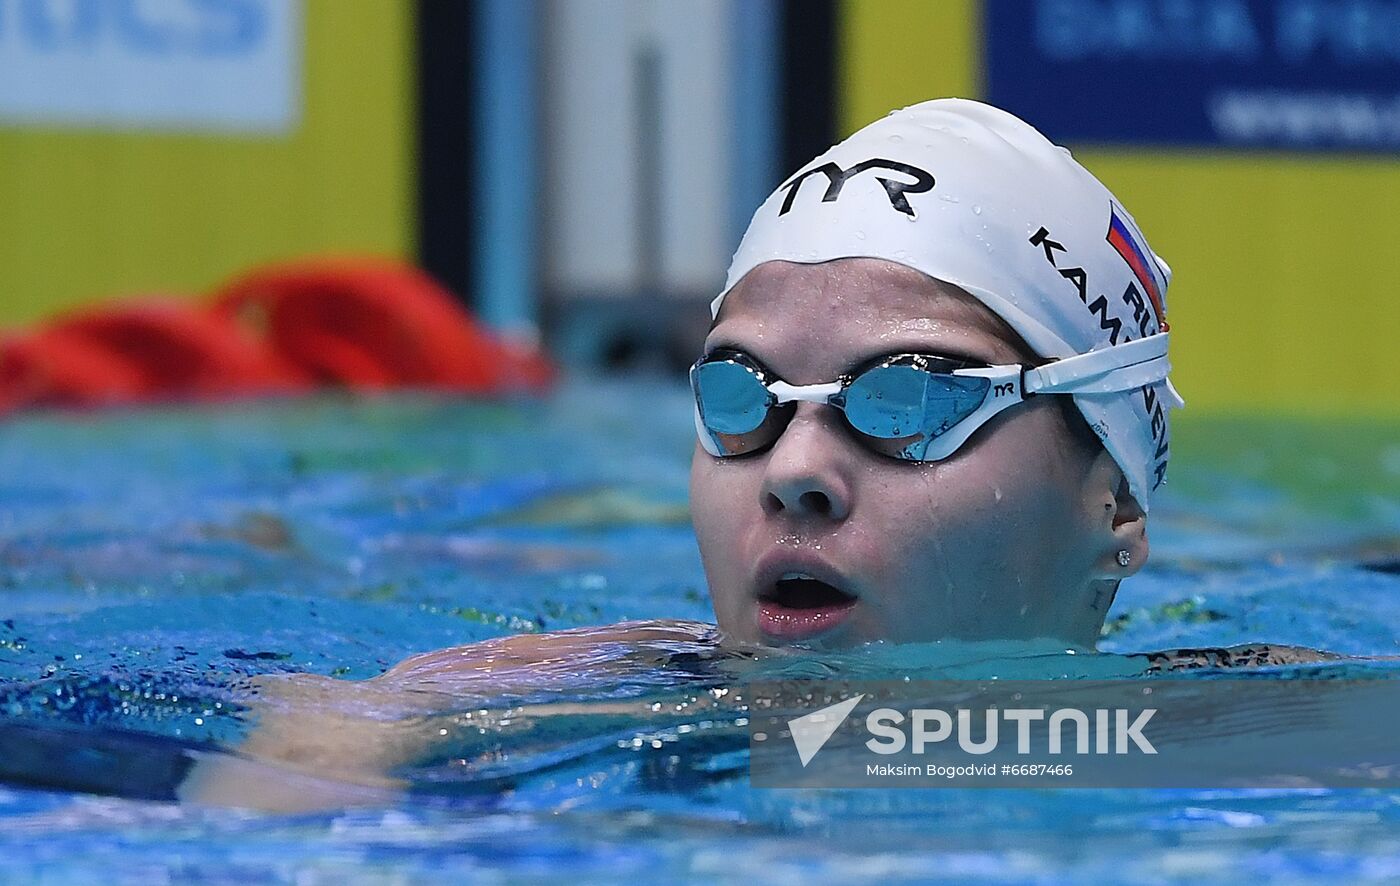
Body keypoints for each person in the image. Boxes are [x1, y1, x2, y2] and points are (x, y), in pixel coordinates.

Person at [179, 99, 1334, 809]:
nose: (793, 468)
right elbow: (277, 781)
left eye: (913, 397)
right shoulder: (523, 702)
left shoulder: (1293, 730)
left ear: (1112, 500)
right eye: (743, 397)